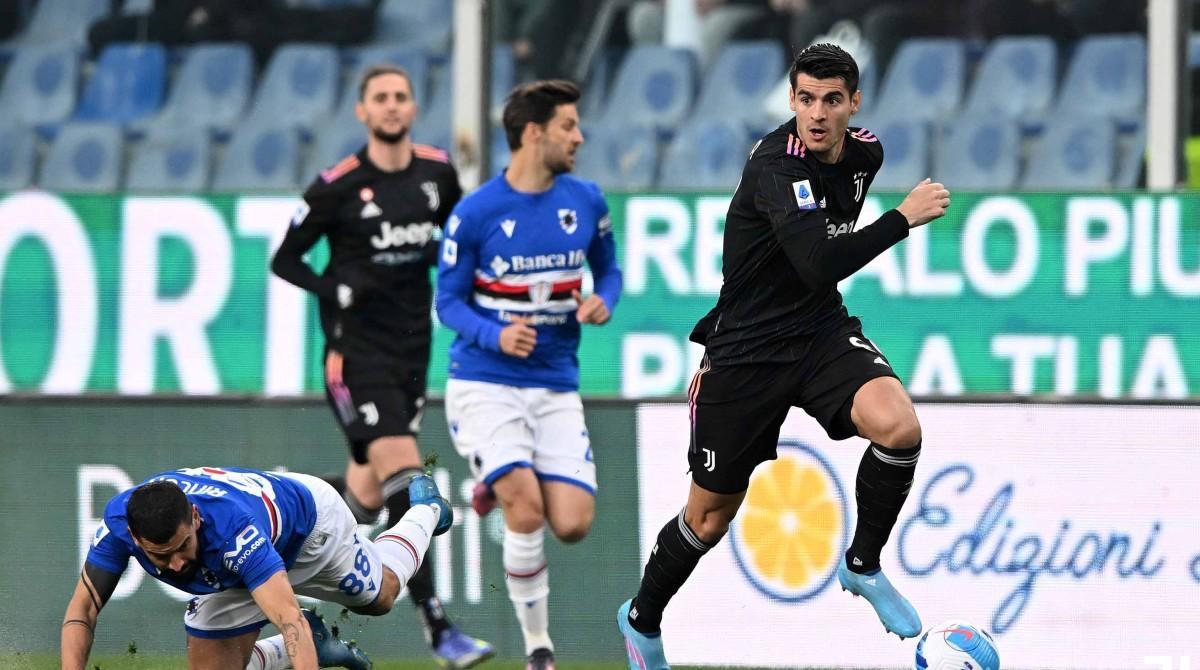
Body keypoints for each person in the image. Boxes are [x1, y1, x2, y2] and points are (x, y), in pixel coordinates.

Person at [617, 43, 952, 669]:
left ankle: (862, 566)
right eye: (804, 99)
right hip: (744, 351)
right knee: (709, 518)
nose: (816, 114)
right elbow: (818, 260)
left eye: (831, 100)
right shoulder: (776, 163)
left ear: (854, 103)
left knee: (899, 427)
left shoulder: (867, 152)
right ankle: (641, 620)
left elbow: (821, 265)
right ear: (790, 99)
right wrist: (901, 219)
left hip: (818, 330)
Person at [269, 63, 493, 668]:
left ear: (413, 109)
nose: (392, 106)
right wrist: (329, 287)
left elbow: (461, 242)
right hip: (354, 354)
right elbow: (284, 259)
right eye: (380, 98)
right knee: (408, 477)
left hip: (412, 349)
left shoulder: (438, 173)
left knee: (363, 500)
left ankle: (278, 520)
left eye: (401, 97)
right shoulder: (336, 185)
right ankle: (438, 627)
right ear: (362, 112)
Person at [436, 80, 623, 670]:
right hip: (484, 380)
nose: (580, 136)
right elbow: (447, 302)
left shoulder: (587, 200)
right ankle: (539, 649)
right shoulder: (476, 212)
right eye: (569, 125)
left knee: (571, 524)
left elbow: (610, 271)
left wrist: (604, 301)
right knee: (528, 510)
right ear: (533, 133)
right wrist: (495, 334)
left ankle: (495, 478)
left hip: (555, 383)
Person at [61, 466, 453, 670]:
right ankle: (312, 648)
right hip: (232, 567)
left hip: (311, 529)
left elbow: (289, 620)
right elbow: (83, 611)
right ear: (133, 536)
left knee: (380, 596)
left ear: (195, 518)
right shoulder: (118, 525)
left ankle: (426, 510)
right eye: (161, 556)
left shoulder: (235, 533)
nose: (177, 564)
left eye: (182, 547)